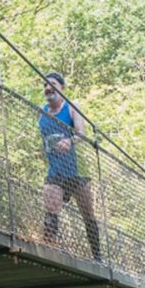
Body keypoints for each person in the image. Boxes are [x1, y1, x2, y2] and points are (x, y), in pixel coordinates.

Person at [37, 73, 101, 260]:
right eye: (45, 85)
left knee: (87, 214)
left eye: (52, 84)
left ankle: (98, 257)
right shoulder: (41, 112)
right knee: (50, 207)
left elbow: (81, 133)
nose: (48, 88)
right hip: (55, 170)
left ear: (62, 87)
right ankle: (48, 252)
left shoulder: (72, 108)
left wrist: (69, 141)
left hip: (76, 170)